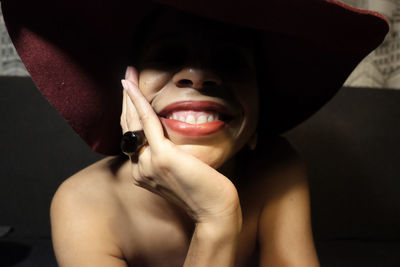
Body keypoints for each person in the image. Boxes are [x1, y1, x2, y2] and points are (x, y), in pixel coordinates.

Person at [1, 0, 388, 266]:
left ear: (255, 116)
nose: (198, 75)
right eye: (168, 56)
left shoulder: (277, 169)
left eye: (231, 62)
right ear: (126, 91)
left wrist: (216, 213)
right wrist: (216, 219)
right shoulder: (81, 204)